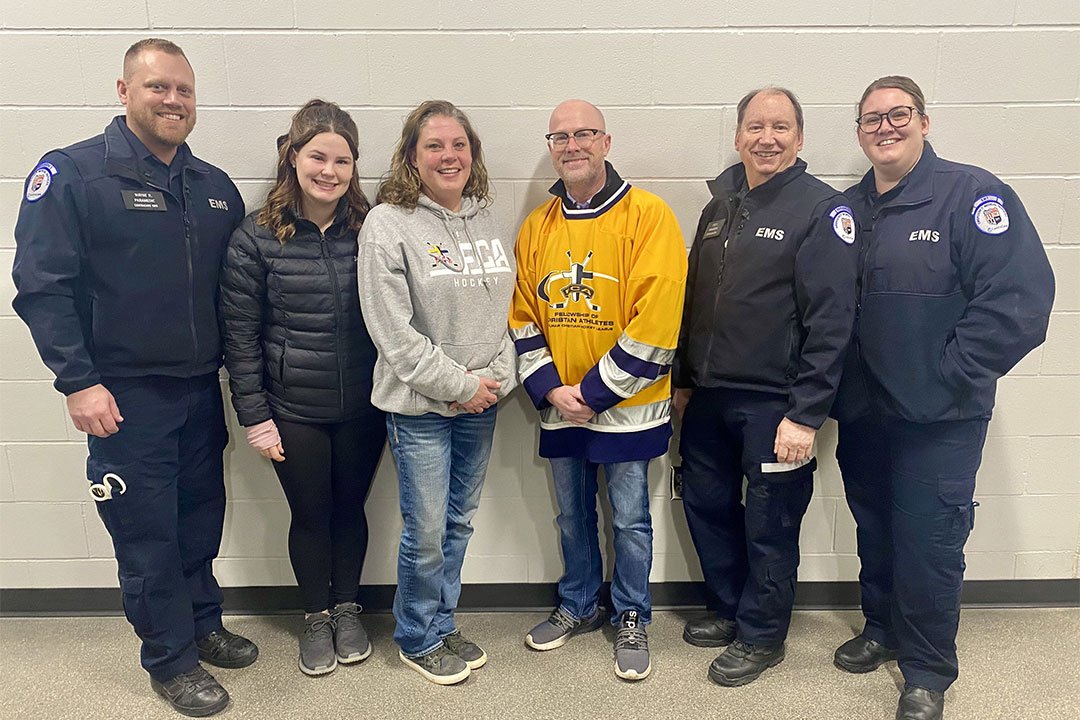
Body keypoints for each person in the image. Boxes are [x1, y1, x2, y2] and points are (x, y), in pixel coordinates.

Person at [11, 39, 255, 717]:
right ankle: (169, 662)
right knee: (146, 535)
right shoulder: (74, 175)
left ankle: (203, 626)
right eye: (158, 88)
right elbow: (41, 287)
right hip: (122, 396)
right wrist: (77, 382)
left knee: (199, 522)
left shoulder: (213, 189)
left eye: (183, 89)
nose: (173, 100)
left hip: (198, 392)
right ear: (125, 91)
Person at [831, 76, 1055, 720]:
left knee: (930, 540)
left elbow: (1019, 301)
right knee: (875, 526)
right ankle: (883, 628)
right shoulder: (850, 210)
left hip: (941, 416)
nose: (885, 127)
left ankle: (927, 670)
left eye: (898, 115)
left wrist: (952, 372)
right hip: (865, 410)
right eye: (871, 119)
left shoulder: (972, 195)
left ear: (925, 122)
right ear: (859, 133)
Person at [671, 87, 858, 687]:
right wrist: (681, 379)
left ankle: (762, 635)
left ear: (800, 139)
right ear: (737, 136)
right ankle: (728, 609)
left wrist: (806, 414)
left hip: (776, 404)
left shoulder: (820, 211)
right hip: (708, 397)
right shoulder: (719, 207)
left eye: (780, 127)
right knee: (706, 504)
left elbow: (833, 322)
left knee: (770, 524)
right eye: (755, 126)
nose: (767, 138)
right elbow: (694, 298)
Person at [512, 99, 688, 681]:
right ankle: (578, 604)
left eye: (583, 133)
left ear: (606, 142)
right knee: (571, 517)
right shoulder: (538, 225)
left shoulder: (648, 215)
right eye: (559, 137)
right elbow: (521, 314)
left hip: (627, 408)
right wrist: (552, 389)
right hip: (562, 405)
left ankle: (631, 613)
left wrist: (594, 391)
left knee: (630, 519)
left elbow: (658, 317)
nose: (571, 145)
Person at [219, 100, 385, 677]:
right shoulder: (256, 237)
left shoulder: (374, 227)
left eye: (343, 160)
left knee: (351, 511)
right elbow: (239, 339)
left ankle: (347, 609)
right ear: (293, 157)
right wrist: (254, 416)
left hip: (366, 406)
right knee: (311, 513)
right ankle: (316, 615)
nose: (329, 171)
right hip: (292, 410)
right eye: (318, 155)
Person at [357, 100, 517, 686]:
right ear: (411, 156)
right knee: (424, 529)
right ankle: (417, 635)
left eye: (459, 145)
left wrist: (493, 382)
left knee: (458, 522)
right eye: (434, 146)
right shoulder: (388, 224)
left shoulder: (490, 216)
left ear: (472, 153)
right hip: (420, 407)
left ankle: (442, 622)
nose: (449, 156)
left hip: (483, 401)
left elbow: (509, 312)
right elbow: (393, 333)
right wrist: (460, 387)